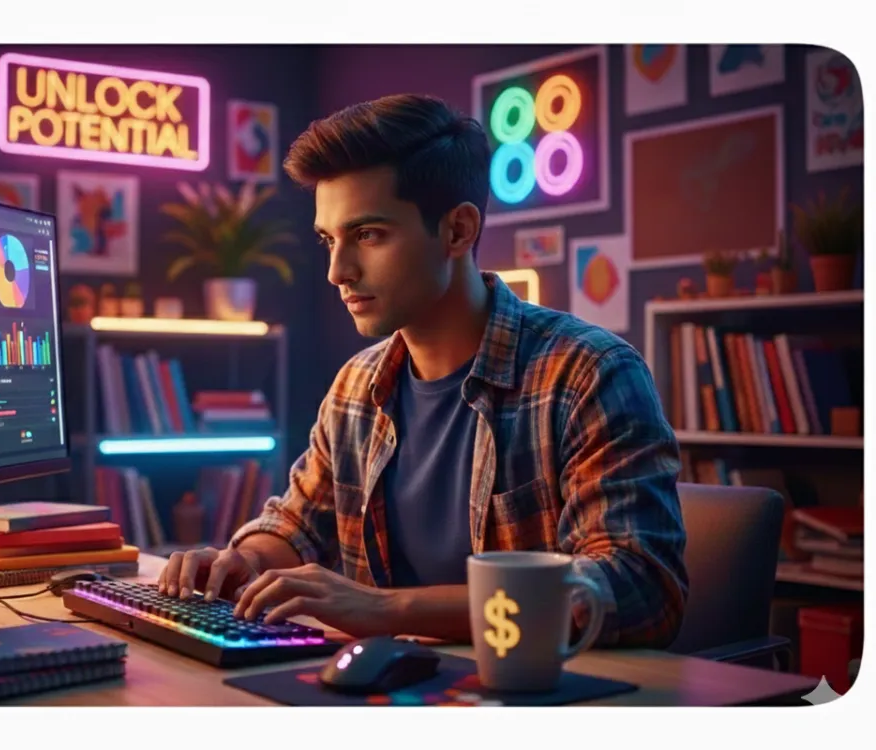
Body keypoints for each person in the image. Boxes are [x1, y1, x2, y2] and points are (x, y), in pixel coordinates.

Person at [158, 93, 688, 648]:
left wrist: (387, 610)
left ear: (457, 231)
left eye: (368, 235)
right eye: (328, 240)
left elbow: (639, 589)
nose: (338, 271)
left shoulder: (587, 376)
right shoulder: (355, 389)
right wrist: (241, 562)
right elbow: (295, 527)